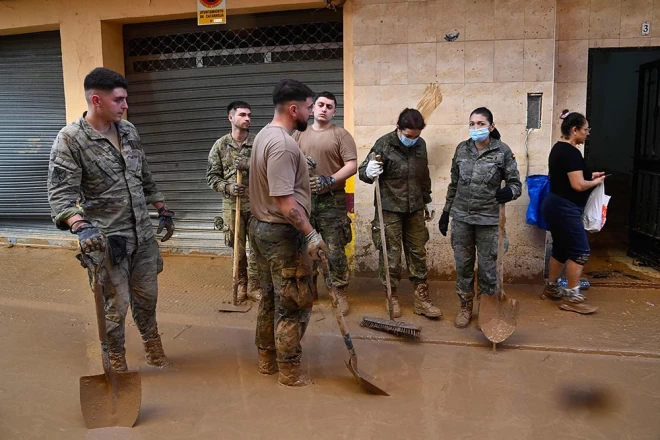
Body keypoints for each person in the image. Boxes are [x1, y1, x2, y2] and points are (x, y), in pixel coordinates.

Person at [47, 67, 173, 371]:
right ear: (97, 100)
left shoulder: (129, 131)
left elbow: (145, 175)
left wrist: (163, 209)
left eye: (125, 99)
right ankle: (116, 361)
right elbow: (60, 196)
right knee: (115, 307)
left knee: (147, 297)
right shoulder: (71, 140)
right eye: (119, 100)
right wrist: (81, 226)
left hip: (142, 237)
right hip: (107, 241)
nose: (125, 105)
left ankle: (153, 346)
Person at [246, 79, 327, 387]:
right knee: (293, 303)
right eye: (309, 106)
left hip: (263, 231)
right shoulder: (281, 143)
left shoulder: (265, 135)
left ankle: (267, 361)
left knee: (269, 298)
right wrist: (310, 233)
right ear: (295, 109)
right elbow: (283, 200)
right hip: (282, 235)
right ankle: (290, 372)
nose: (311, 112)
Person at [439, 107, 522, 328]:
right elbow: (454, 184)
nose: (476, 128)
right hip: (462, 219)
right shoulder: (461, 150)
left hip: (489, 221)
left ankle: (487, 308)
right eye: (472, 124)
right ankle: (465, 307)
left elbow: (516, 184)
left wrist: (510, 192)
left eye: (481, 124)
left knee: (489, 269)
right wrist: (446, 213)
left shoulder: (502, 151)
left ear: (491, 127)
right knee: (464, 267)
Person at [358, 108, 441, 319]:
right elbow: (363, 172)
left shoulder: (420, 145)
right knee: (390, 256)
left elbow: (424, 174)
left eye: (416, 136)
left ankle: (421, 299)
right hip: (389, 209)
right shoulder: (383, 144)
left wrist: (428, 199)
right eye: (408, 136)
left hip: (414, 208)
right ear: (398, 129)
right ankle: (391, 295)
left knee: (417, 252)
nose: (412, 140)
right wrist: (369, 171)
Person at [293, 91, 357, 316]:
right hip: (306, 201)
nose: (323, 109)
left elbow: (351, 165)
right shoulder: (299, 135)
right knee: (304, 246)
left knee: (334, 248)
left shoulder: (341, 135)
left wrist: (328, 179)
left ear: (334, 111)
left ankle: (339, 291)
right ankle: (310, 290)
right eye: (320, 105)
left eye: (329, 106)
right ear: (312, 109)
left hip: (332, 201)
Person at [540, 110, 605, 314]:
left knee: (561, 248)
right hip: (564, 207)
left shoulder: (559, 149)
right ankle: (572, 298)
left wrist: (589, 174)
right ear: (574, 130)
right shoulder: (571, 152)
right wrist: (595, 182)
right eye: (585, 130)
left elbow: (570, 175)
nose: (587, 133)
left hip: (556, 205)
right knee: (580, 250)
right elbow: (577, 185)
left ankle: (551, 288)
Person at [206, 101, 260, 302]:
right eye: (242, 115)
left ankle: (255, 285)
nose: (247, 119)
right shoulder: (220, 146)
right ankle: (240, 283)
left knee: (256, 248)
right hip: (232, 205)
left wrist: (250, 165)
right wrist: (228, 187)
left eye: (249, 115)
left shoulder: (258, 143)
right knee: (237, 247)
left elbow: (268, 169)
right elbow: (212, 176)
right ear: (231, 118)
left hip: (256, 204)